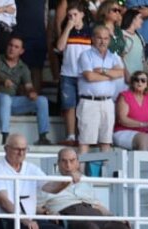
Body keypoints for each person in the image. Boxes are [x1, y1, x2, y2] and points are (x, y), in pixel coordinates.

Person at [41, 147, 145, 229]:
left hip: (93, 213)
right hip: (71, 216)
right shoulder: (50, 181)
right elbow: (40, 205)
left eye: (72, 161)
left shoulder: (85, 180)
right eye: (64, 161)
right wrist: (50, 213)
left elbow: (97, 205)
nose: (68, 165)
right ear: (58, 163)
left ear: (77, 162)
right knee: (91, 228)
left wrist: (114, 217)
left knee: (122, 228)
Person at [0, 133, 66, 229]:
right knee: (26, 228)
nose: (21, 153)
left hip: (29, 219)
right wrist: (24, 220)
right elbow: (3, 201)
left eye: (24, 149)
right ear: (6, 149)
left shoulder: (31, 168)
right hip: (4, 222)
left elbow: (51, 187)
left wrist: (67, 180)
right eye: (17, 149)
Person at [0, 33, 52, 146]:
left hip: (12, 102)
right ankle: (5, 137)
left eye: (16, 47)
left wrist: (32, 93)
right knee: (5, 99)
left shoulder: (23, 67)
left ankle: (43, 137)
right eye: (10, 45)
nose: (12, 49)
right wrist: (1, 81)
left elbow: (28, 86)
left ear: (21, 51)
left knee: (42, 100)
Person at [76, 25, 124, 153]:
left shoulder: (114, 57)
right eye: (99, 38)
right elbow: (90, 77)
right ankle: (81, 167)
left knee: (106, 141)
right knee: (85, 141)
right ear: (93, 38)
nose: (103, 41)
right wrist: (110, 75)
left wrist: (102, 71)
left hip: (108, 102)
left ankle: (106, 167)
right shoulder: (85, 55)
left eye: (106, 38)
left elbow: (120, 73)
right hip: (89, 102)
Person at [55, 5, 93, 145]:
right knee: (69, 105)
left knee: (84, 106)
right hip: (68, 73)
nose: (72, 18)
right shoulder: (66, 30)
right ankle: (71, 136)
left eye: (75, 14)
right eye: (70, 15)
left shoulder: (89, 31)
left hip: (85, 75)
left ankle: (83, 135)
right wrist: (67, 28)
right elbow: (60, 47)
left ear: (82, 14)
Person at [114, 69, 148, 150]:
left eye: (143, 80)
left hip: (145, 133)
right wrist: (144, 124)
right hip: (124, 131)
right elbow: (122, 120)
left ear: (147, 84)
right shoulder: (125, 96)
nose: (139, 82)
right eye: (136, 80)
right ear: (132, 82)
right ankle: (143, 159)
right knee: (143, 139)